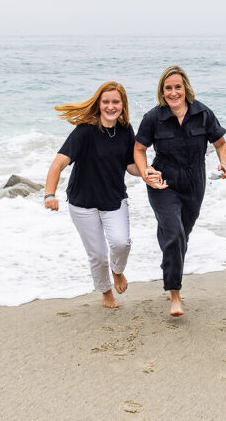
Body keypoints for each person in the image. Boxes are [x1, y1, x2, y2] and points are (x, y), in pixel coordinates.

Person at [134, 65, 226, 316]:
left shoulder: (203, 114)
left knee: (180, 236)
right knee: (175, 234)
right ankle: (174, 295)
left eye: (177, 87)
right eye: (168, 88)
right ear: (162, 91)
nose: (173, 92)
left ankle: (169, 264)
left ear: (185, 88)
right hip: (163, 183)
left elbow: (220, 143)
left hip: (195, 184)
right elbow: (139, 149)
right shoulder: (153, 118)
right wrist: (145, 172)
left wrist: (223, 162)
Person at [44, 81, 143, 309]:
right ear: (99, 104)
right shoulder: (85, 131)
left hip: (114, 199)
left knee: (121, 243)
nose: (110, 106)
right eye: (106, 101)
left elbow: (131, 165)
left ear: (123, 105)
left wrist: (147, 172)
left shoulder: (126, 130)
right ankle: (106, 292)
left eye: (115, 102)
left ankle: (117, 271)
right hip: (83, 203)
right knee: (97, 254)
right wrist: (49, 194)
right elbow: (58, 164)